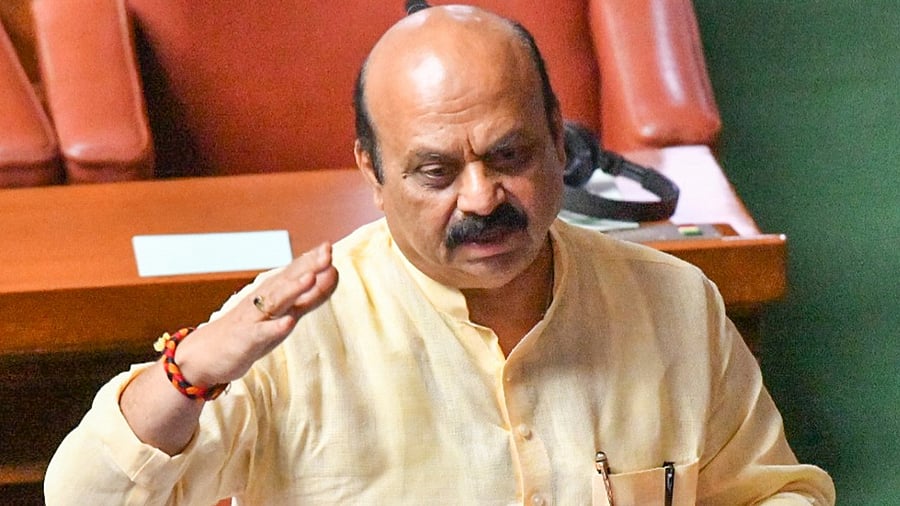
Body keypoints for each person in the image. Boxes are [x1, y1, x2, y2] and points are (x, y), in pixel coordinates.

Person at [44, 5, 835, 505]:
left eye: (510, 155)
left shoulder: (674, 304)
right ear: (373, 173)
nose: (482, 198)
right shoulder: (291, 331)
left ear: (561, 142)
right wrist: (194, 368)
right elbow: (82, 495)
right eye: (436, 172)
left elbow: (770, 491)